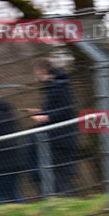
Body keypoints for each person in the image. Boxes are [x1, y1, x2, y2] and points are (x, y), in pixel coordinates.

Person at [28, 58, 79, 195]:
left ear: (43, 71)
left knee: (60, 175)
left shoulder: (59, 86)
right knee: (57, 174)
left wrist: (46, 117)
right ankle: (64, 202)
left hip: (60, 138)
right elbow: (60, 108)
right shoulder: (56, 86)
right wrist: (42, 113)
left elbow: (66, 109)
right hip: (58, 138)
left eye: (38, 73)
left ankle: (67, 204)